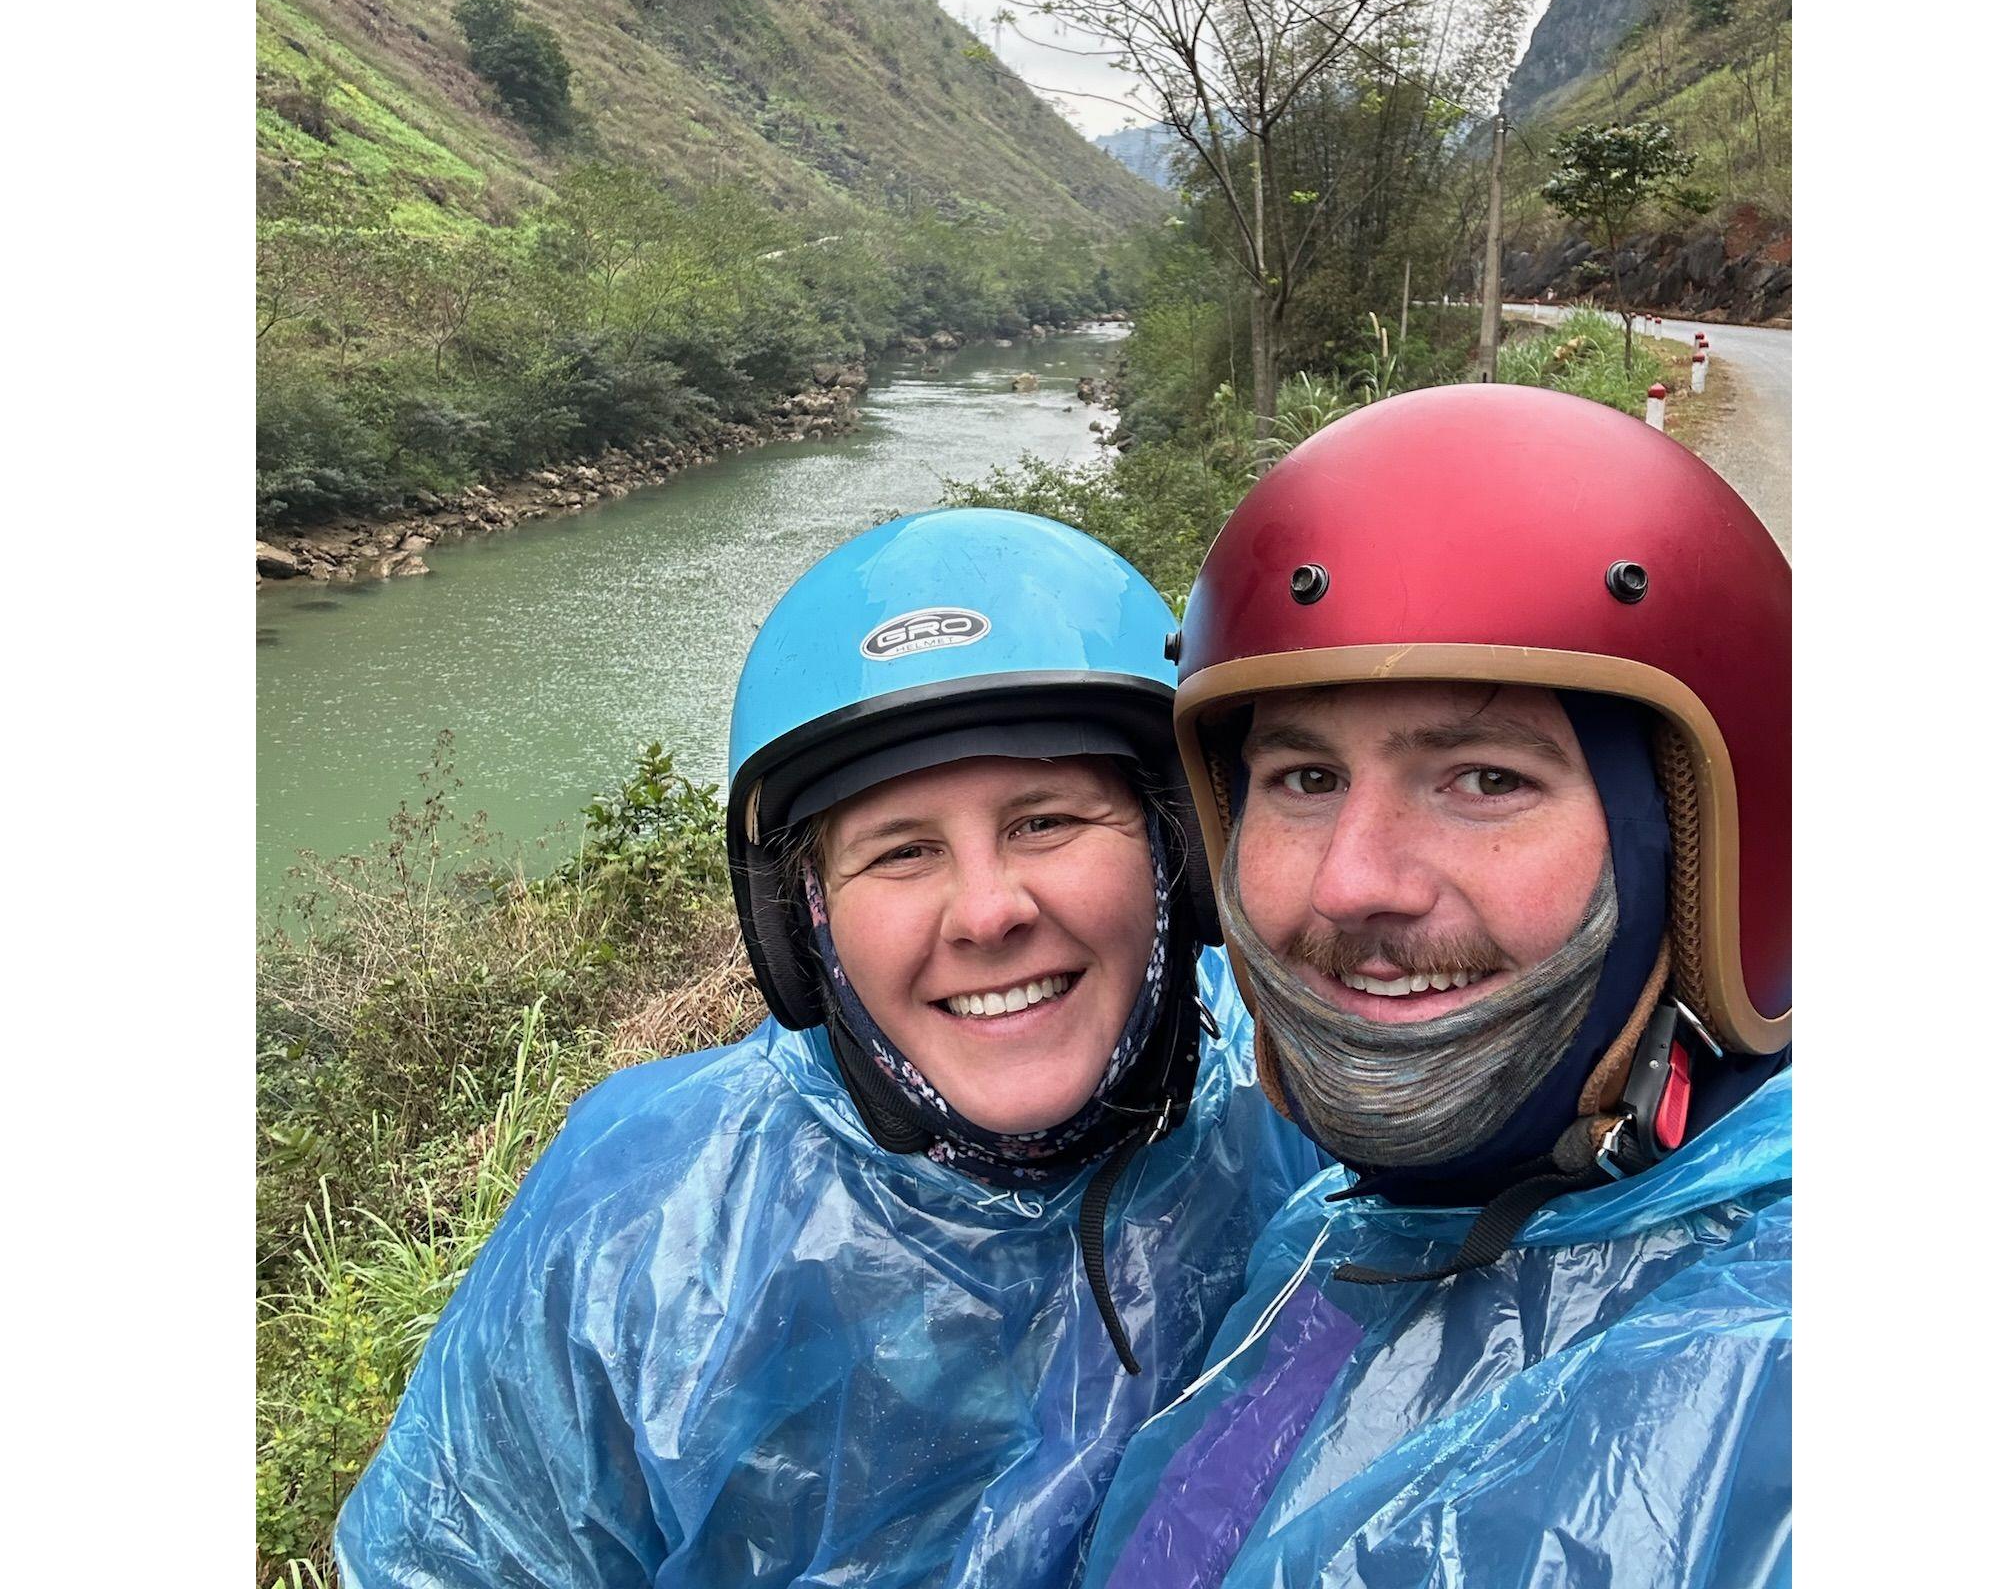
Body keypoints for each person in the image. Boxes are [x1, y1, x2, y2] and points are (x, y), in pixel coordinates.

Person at [335, 507, 1318, 1588]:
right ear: (799, 923)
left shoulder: (1305, 1098)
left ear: (1175, 848)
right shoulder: (646, 1227)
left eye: (1046, 819)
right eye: (899, 851)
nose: (986, 911)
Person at [1081, 383, 1791, 1589]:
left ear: (1697, 853)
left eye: (1482, 777)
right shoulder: (1326, 1226)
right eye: (1302, 777)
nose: (1353, 882)